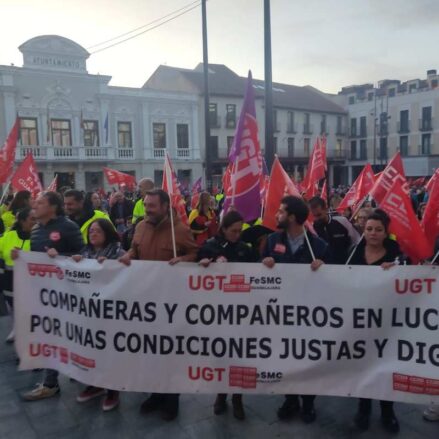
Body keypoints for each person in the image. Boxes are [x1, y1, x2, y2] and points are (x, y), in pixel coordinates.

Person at [119, 189, 198, 421]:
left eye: (152, 205)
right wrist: (129, 254)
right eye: (146, 205)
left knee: (169, 353)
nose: (147, 209)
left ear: (165, 206)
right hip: (145, 303)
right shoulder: (141, 227)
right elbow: (136, 248)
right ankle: (155, 394)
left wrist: (183, 259)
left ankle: (171, 400)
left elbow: (195, 253)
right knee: (150, 351)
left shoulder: (180, 231)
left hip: (171, 304)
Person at [262, 195, 329, 424]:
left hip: (308, 317)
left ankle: (308, 403)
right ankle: (290, 399)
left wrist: (323, 268)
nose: (276, 215)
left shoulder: (318, 246)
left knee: (306, 360)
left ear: (292, 217)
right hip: (279, 314)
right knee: (284, 358)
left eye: (280, 212)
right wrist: (265, 264)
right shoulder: (271, 241)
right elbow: (258, 271)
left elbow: (333, 283)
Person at [20, 191, 84, 401]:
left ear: (53, 207)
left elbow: (83, 258)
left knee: (73, 334)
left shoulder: (69, 227)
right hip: (44, 294)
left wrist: (62, 257)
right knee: (49, 334)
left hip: (68, 295)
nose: (34, 206)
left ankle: (81, 370)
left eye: (40, 202)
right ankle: (50, 383)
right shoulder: (36, 228)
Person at [198, 211, 257, 420]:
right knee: (221, 356)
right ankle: (221, 395)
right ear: (223, 229)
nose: (237, 235)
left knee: (239, 356)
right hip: (217, 312)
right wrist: (203, 264)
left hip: (240, 313)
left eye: (240, 231)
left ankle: (238, 399)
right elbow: (196, 269)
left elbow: (258, 273)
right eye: (233, 231)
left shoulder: (245, 249)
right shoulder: (210, 246)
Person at [348, 209, 402, 433]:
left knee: (385, 368)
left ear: (386, 232)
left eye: (378, 229)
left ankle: (388, 412)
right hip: (359, 323)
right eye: (369, 229)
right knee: (363, 367)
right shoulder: (353, 253)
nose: (373, 233)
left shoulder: (396, 255)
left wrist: (397, 270)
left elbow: (407, 285)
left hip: (386, 324)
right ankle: (363, 408)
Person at [72, 218, 125, 411]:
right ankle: (95, 384)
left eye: (97, 231)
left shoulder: (118, 251)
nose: (92, 234)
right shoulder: (85, 253)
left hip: (110, 313)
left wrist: (114, 264)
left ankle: (112, 389)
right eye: (91, 231)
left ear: (107, 233)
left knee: (109, 351)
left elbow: (130, 273)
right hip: (89, 313)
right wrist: (72, 263)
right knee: (92, 349)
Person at [0, 207, 36, 342]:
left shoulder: (39, 236)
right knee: (13, 307)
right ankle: (16, 329)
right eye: (32, 219)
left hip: (31, 281)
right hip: (10, 280)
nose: (35, 221)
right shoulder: (9, 236)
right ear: (22, 221)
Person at [309, 196, 360, 264]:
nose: (316, 218)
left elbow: (357, 241)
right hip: (323, 268)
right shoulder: (311, 227)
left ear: (326, 209)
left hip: (344, 266)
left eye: (319, 215)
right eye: (314, 216)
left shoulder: (342, 221)